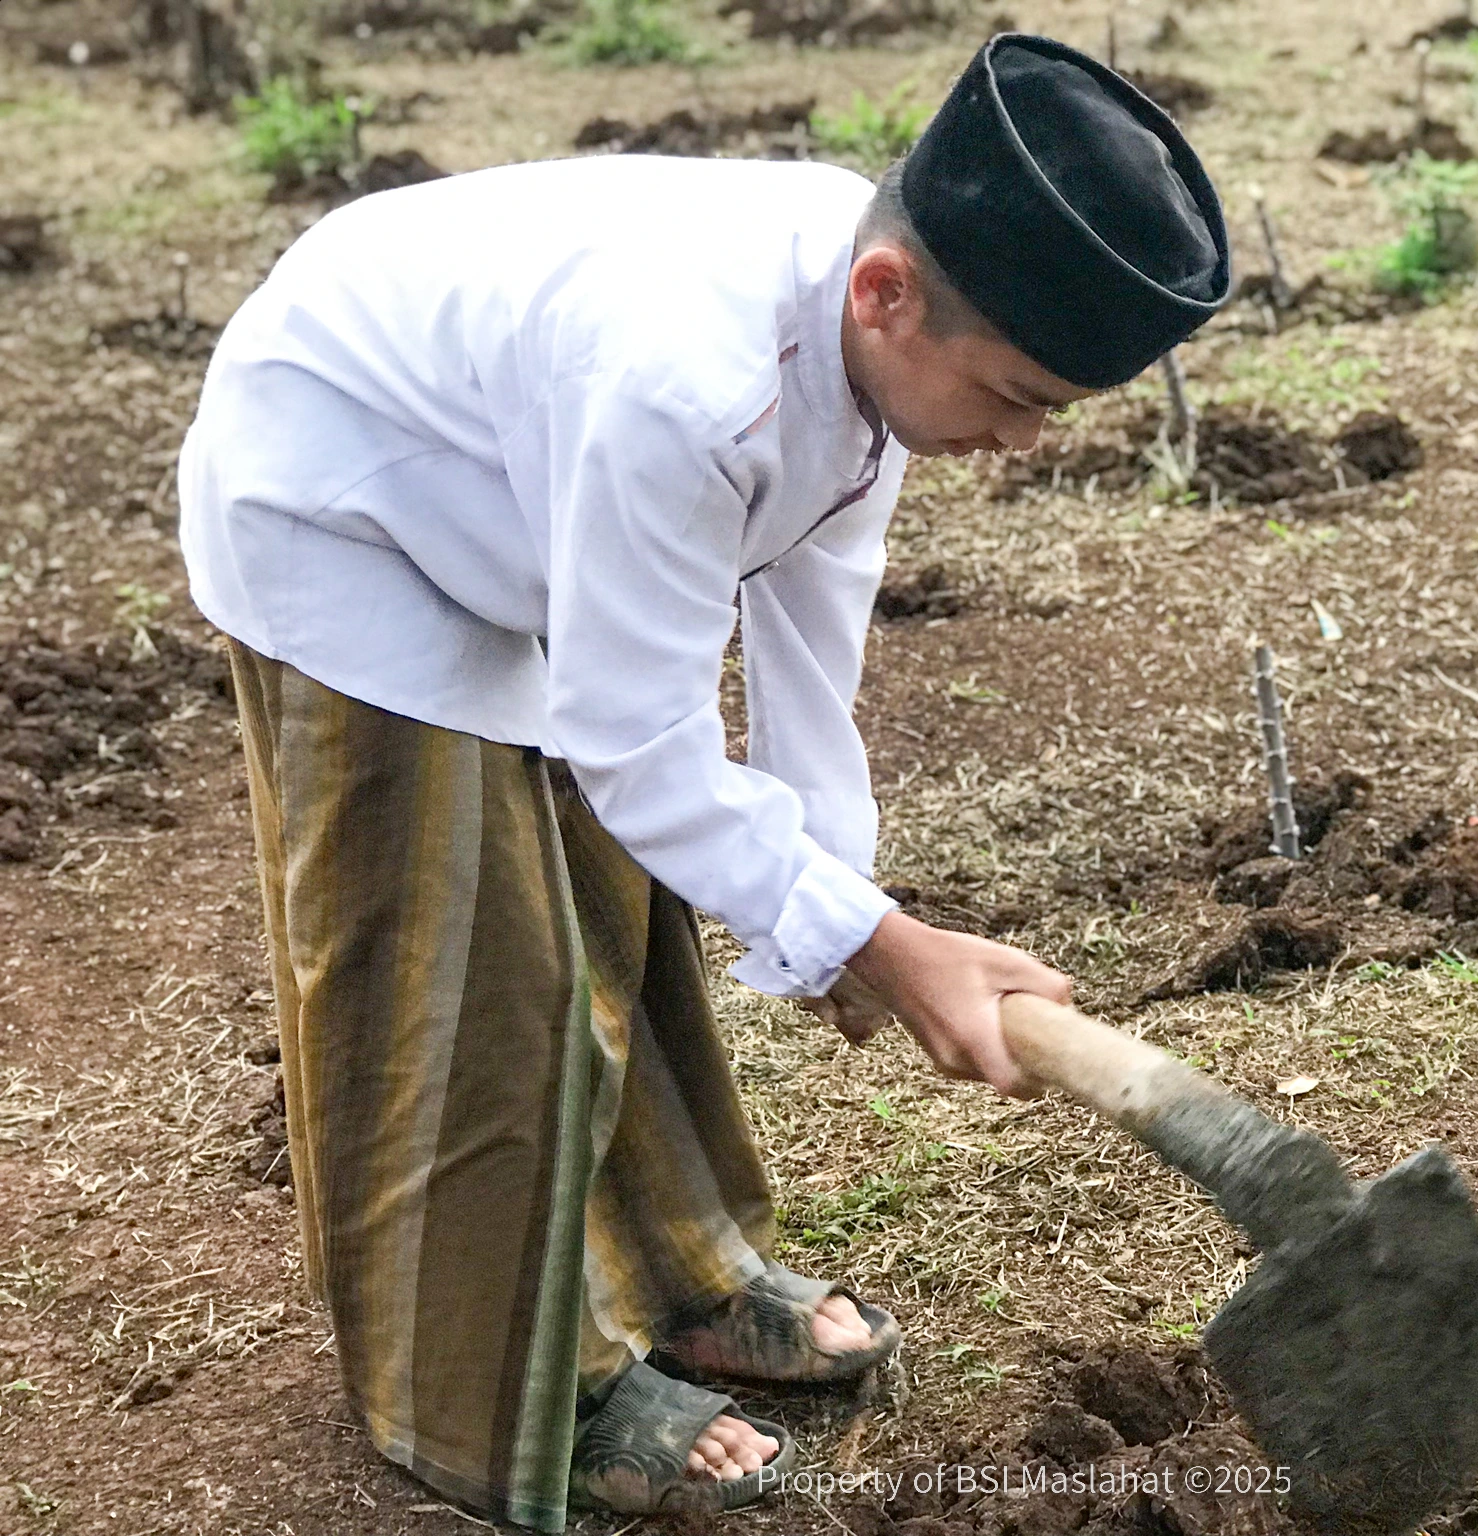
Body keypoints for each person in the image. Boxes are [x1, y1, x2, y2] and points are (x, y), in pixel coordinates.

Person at [177, 31, 1230, 1530]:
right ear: (890, 297)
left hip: (523, 480)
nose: (1022, 442)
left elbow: (811, 650)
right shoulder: (693, 377)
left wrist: (849, 916)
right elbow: (641, 748)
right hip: (345, 496)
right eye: (1019, 394)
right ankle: (495, 1395)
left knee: (614, 904)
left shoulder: (867, 318)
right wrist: (876, 946)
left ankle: (675, 1271)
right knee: (471, 970)